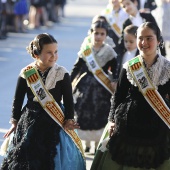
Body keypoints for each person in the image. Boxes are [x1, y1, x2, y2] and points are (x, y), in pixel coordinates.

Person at [91, 21, 170, 170]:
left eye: (149, 38)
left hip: (159, 124)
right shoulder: (129, 67)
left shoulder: (168, 69)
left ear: (159, 41)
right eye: (140, 38)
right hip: (129, 122)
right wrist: (112, 120)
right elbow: (118, 96)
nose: (143, 42)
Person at [0, 33, 86, 170]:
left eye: (56, 52)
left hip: (54, 120)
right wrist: (15, 121)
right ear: (36, 54)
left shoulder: (62, 73)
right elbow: (18, 99)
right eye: (49, 53)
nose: (54, 56)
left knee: (54, 156)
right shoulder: (26, 73)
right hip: (30, 120)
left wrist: (69, 119)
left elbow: (69, 100)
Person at [71, 21, 118, 154]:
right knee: (82, 112)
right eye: (96, 33)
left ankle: (96, 143)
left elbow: (115, 69)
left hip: (102, 89)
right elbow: (77, 67)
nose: (98, 36)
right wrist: (68, 81)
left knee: (99, 113)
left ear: (106, 35)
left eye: (102, 34)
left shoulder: (109, 52)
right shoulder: (86, 50)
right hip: (84, 87)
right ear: (91, 33)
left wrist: (114, 80)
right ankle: (84, 143)